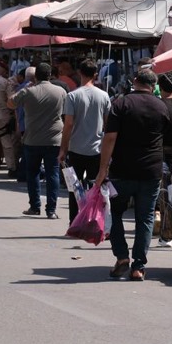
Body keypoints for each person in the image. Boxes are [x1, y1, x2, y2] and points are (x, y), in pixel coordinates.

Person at [96, 69, 171, 282]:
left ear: (134, 82)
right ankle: (139, 266)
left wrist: (103, 169)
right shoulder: (161, 106)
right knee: (145, 218)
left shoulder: (121, 104)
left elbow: (110, 138)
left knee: (115, 213)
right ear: (153, 85)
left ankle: (121, 257)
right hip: (151, 171)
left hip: (122, 170)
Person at [9, 63, 67, 218]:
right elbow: (67, 113)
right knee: (52, 173)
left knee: (33, 173)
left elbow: (10, 102)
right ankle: (51, 210)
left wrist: (23, 87)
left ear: (35, 77)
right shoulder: (60, 91)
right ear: (50, 75)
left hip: (32, 139)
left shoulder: (28, 91)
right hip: (54, 139)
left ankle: (35, 206)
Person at [60, 59, 110, 222]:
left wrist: (63, 149)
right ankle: (95, 219)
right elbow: (108, 124)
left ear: (80, 73)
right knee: (97, 187)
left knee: (75, 187)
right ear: (95, 75)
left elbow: (68, 124)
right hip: (96, 149)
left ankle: (75, 221)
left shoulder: (73, 96)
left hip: (76, 149)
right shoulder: (104, 96)